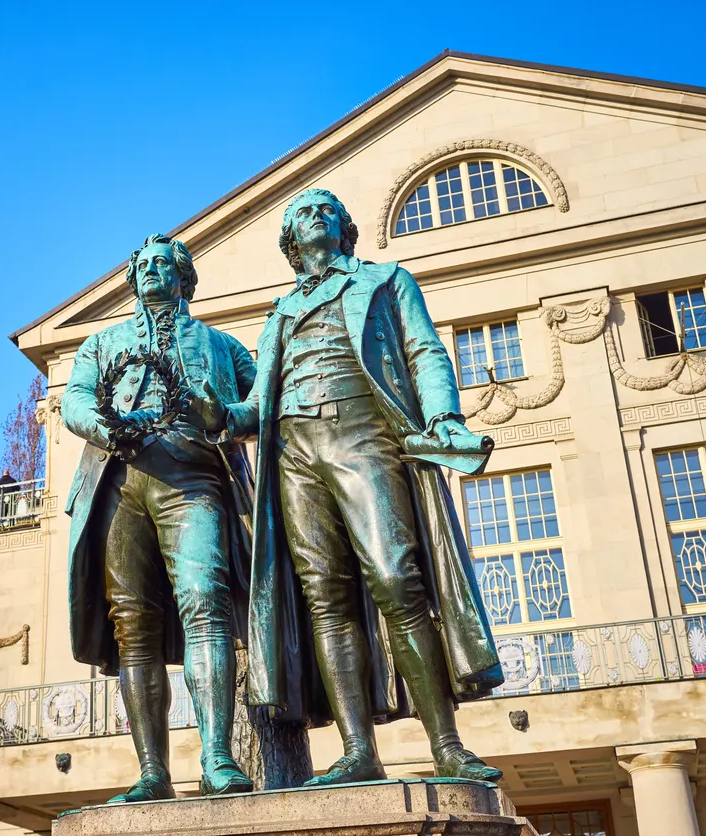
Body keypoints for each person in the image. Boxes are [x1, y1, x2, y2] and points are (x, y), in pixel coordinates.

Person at [184, 189, 505, 784]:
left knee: (395, 580)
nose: (316, 217)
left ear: (344, 228)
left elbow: (424, 351)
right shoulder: (280, 312)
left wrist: (443, 417)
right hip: (294, 452)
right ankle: (358, 751)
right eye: (302, 212)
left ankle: (447, 746)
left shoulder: (385, 280)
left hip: (363, 433)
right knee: (324, 598)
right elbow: (257, 405)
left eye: (326, 209)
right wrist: (221, 416)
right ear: (289, 242)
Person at [62, 234, 257, 801]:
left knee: (205, 599)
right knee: (133, 626)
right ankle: (153, 771)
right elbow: (75, 399)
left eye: (163, 264)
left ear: (185, 278)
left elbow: (264, 403)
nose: (151, 271)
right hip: (119, 481)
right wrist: (105, 426)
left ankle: (217, 758)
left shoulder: (222, 346)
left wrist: (225, 414)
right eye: (142, 265)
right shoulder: (103, 342)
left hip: (194, 478)